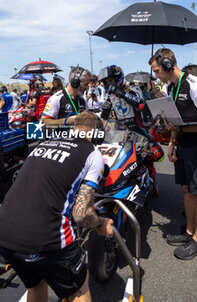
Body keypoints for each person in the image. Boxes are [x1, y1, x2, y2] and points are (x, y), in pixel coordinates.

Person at [0, 111, 113, 302]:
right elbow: (80, 215)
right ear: (95, 133)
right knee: (79, 288)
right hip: (48, 235)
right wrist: (101, 223)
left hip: (6, 230)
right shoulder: (93, 153)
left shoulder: (43, 144)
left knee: (36, 284)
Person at [149, 48, 197, 260]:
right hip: (182, 146)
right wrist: (171, 143)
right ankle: (189, 232)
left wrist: (182, 131)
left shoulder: (196, 86)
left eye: (157, 70)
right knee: (186, 190)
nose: (156, 75)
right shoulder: (171, 88)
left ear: (169, 65)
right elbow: (175, 120)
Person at [98, 65, 164, 178]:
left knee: (158, 154)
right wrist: (105, 109)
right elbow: (105, 118)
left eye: (111, 80)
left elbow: (140, 104)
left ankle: (149, 169)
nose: (109, 83)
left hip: (138, 130)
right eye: (107, 81)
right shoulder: (110, 96)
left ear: (118, 78)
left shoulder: (133, 89)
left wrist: (121, 93)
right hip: (120, 133)